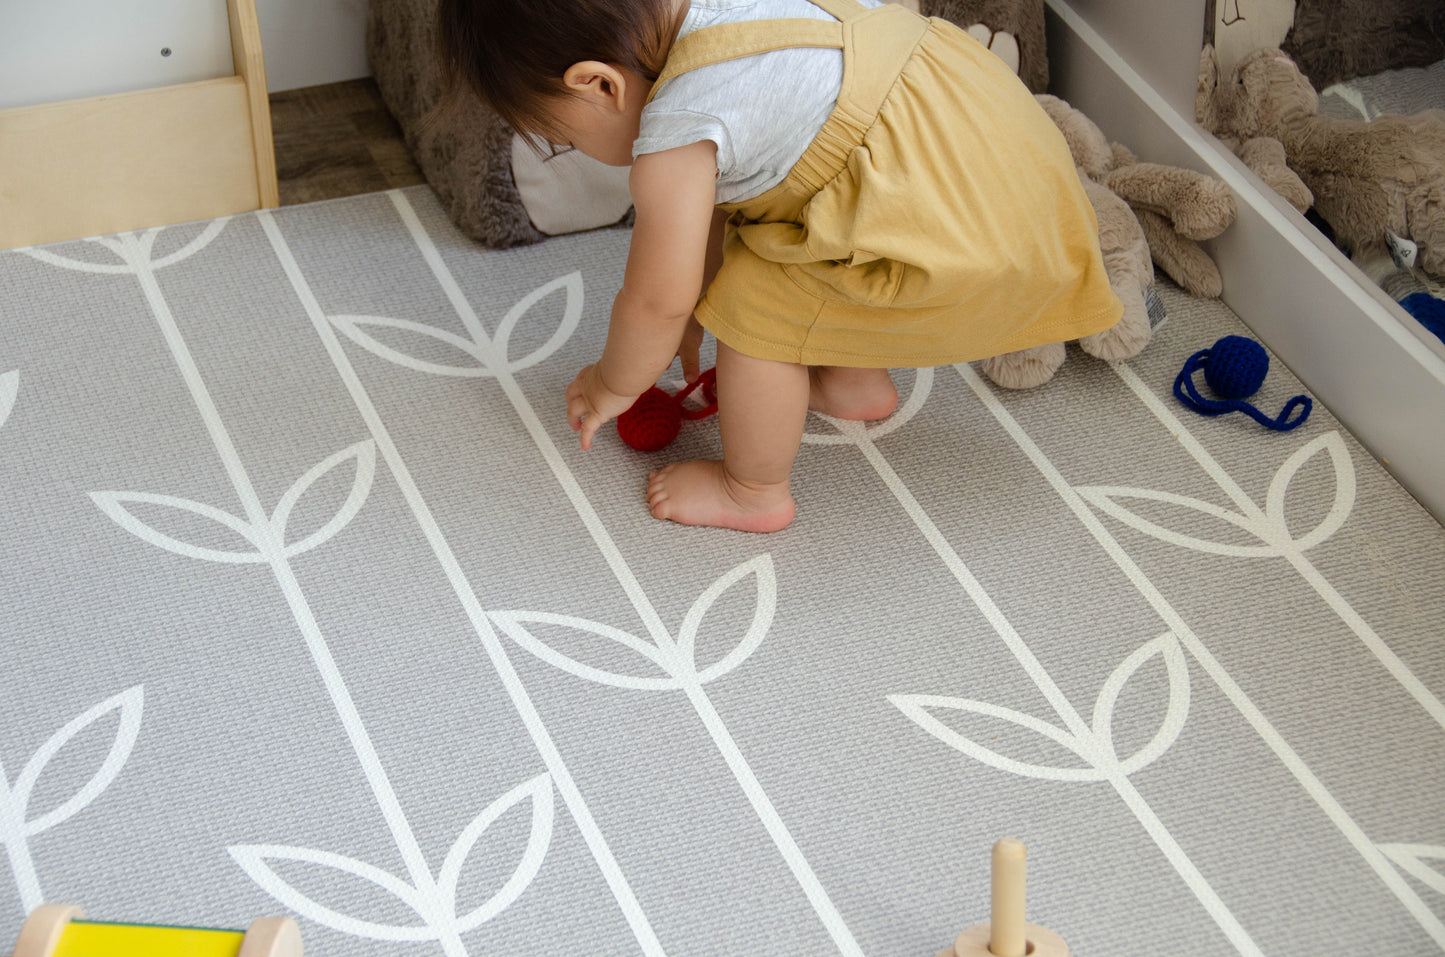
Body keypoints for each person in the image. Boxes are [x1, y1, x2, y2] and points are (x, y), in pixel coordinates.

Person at [436, 0, 1122, 532]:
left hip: (953, 233)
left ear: (599, 85)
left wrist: (616, 378)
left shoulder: (678, 124)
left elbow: (655, 298)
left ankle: (752, 490)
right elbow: (698, 232)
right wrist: (682, 305)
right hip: (1002, 161)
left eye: (565, 138)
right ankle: (853, 382)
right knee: (789, 224)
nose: (576, 151)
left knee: (753, 303)